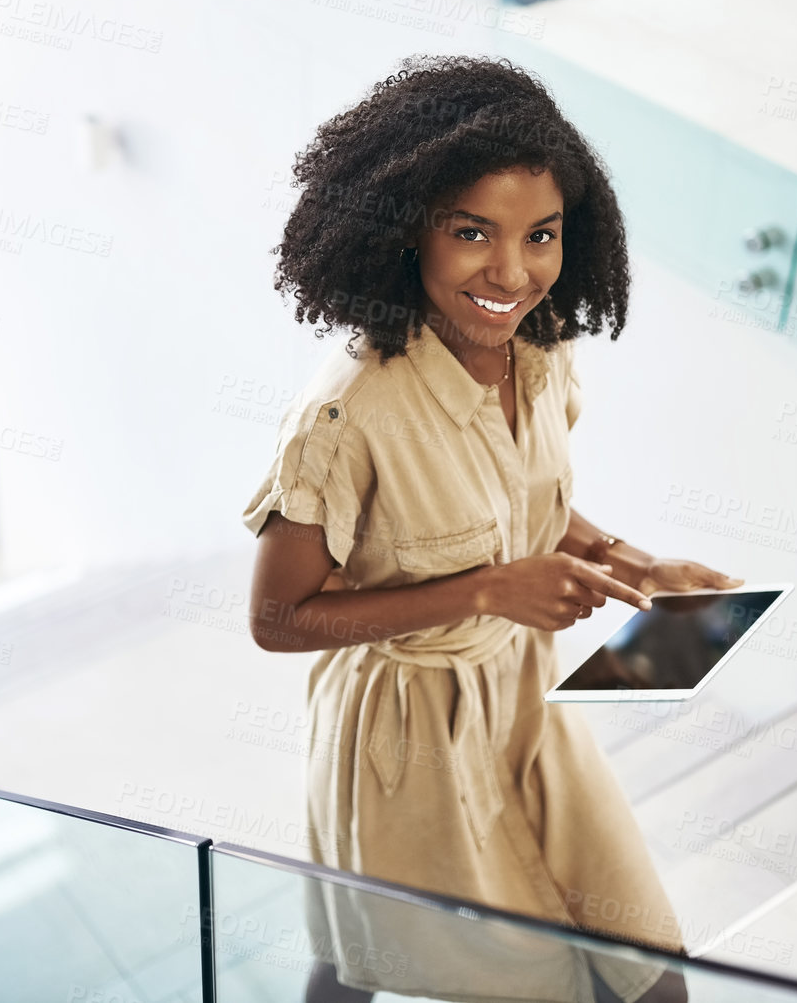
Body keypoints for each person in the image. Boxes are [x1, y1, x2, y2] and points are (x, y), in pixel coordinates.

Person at [241, 56, 741, 1003]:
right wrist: (484, 591)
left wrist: (630, 561)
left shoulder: (541, 351)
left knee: (647, 971)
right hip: (403, 728)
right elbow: (277, 618)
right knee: (379, 954)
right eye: (473, 231)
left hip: (523, 696)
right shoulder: (347, 413)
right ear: (407, 232)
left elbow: (522, 502)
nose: (513, 272)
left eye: (541, 235)